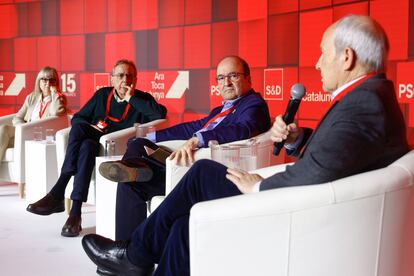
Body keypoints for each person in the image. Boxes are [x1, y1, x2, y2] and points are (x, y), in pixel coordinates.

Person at [82, 15, 409, 276]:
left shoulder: (363, 106)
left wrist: (261, 186)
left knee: (201, 173)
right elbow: (336, 156)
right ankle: (136, 254)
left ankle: (134, 255)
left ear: (347, 57)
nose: (319, 63)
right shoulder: (371, 99)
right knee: (184, 226)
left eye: (324, 53)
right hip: (304, 200)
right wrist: (297, 139)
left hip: (294, 208)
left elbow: (318, 170)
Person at [99, 55, 271, 240]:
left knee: (133, 172)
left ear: (248, 79)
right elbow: (191, 127)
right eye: (221, 78)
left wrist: (199, 139)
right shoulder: (221, 109)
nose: (226, 82)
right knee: (137, 152)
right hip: (179, 163)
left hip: (192, 171)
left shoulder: (254, 105)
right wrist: (153, 136)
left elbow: (242, 129)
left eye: (233, 76)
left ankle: (136, 170)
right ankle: (126, 250)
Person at [26, 59, 167, 238]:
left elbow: (160, 115)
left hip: (117, 144)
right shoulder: (102, 95)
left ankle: (66, 200)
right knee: (80, 132)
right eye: (120, 75)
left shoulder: (142, 99)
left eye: (129, 76)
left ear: (135, 79)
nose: (125, 79)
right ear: (112, 79)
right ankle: (72, 209)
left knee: (86, 147)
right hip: (95, 136)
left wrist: (130, 98)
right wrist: (94, 128)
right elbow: (78, 118)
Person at [0, 66, 66, 160]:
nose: (48, 83)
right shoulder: (32, 97)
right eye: (44, 80)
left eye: (52, 80)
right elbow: (17, 118)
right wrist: (24, 128)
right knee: (4, 129)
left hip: (41, 135)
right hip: (25, 131)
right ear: (39, 82)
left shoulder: (59, 98)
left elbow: (55, 112)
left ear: (56, 82)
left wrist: (54, 92)